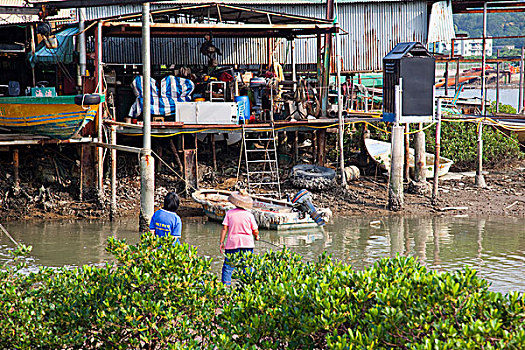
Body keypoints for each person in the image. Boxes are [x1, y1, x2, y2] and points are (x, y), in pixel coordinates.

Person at [219, 190, 259, 285]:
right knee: (247, 266)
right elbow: (255, 230)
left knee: (228, 267)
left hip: (232, 244)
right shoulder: (249, 215)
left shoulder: (229, 213)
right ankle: (247, 287)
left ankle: (226, 287)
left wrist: (221, 242)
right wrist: (257, 236)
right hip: (247, 244)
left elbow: (225, 228)